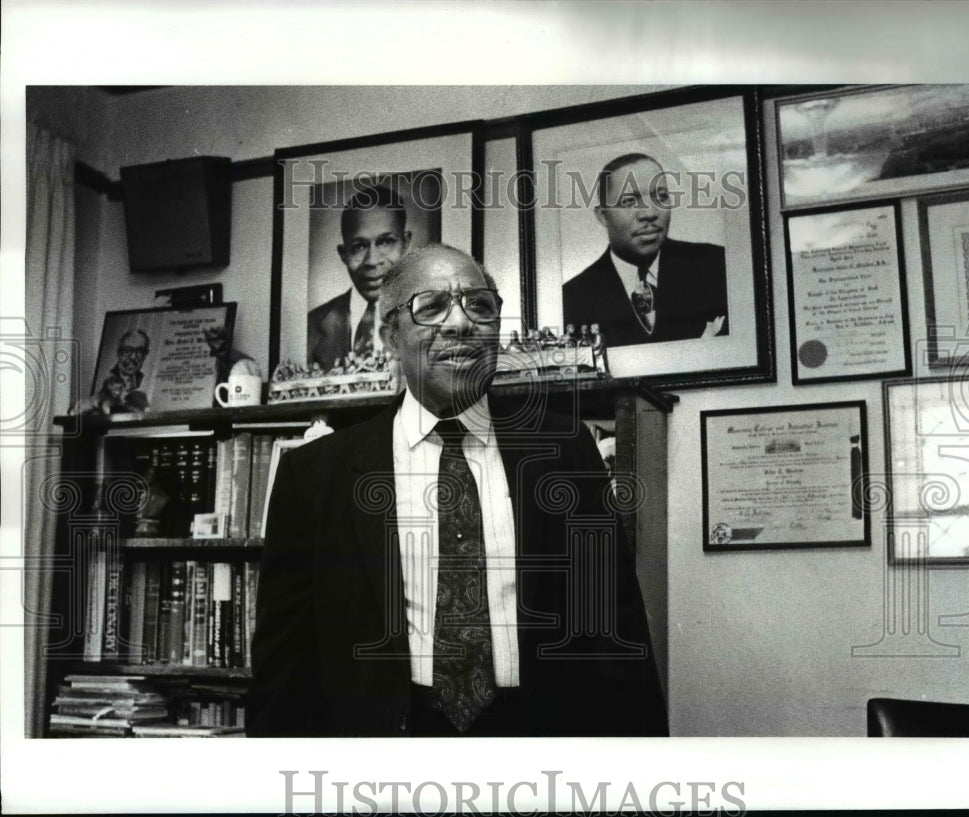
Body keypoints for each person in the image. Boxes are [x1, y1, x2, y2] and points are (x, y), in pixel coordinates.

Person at [248, 244, 667, 737]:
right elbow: (285, 665)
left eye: (481, 306)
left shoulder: (565, 452)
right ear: (390, 335)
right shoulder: (316, 474)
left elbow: (615, 633)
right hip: (383, 756)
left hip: (538, 748)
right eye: (431, 308)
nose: (461, 323)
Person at [563, 152, 729, 348]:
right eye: (630, 201)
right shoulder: (572, 299)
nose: (650, 213)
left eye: (661, 197)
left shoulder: (718, 266)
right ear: (603, 216)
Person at [307, 185, 412, 370]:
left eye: (386, 242)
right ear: (343, 254)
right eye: (359, 246)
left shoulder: (431, 318)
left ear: (405, 243)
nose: (372, 261)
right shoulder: (311, 325)